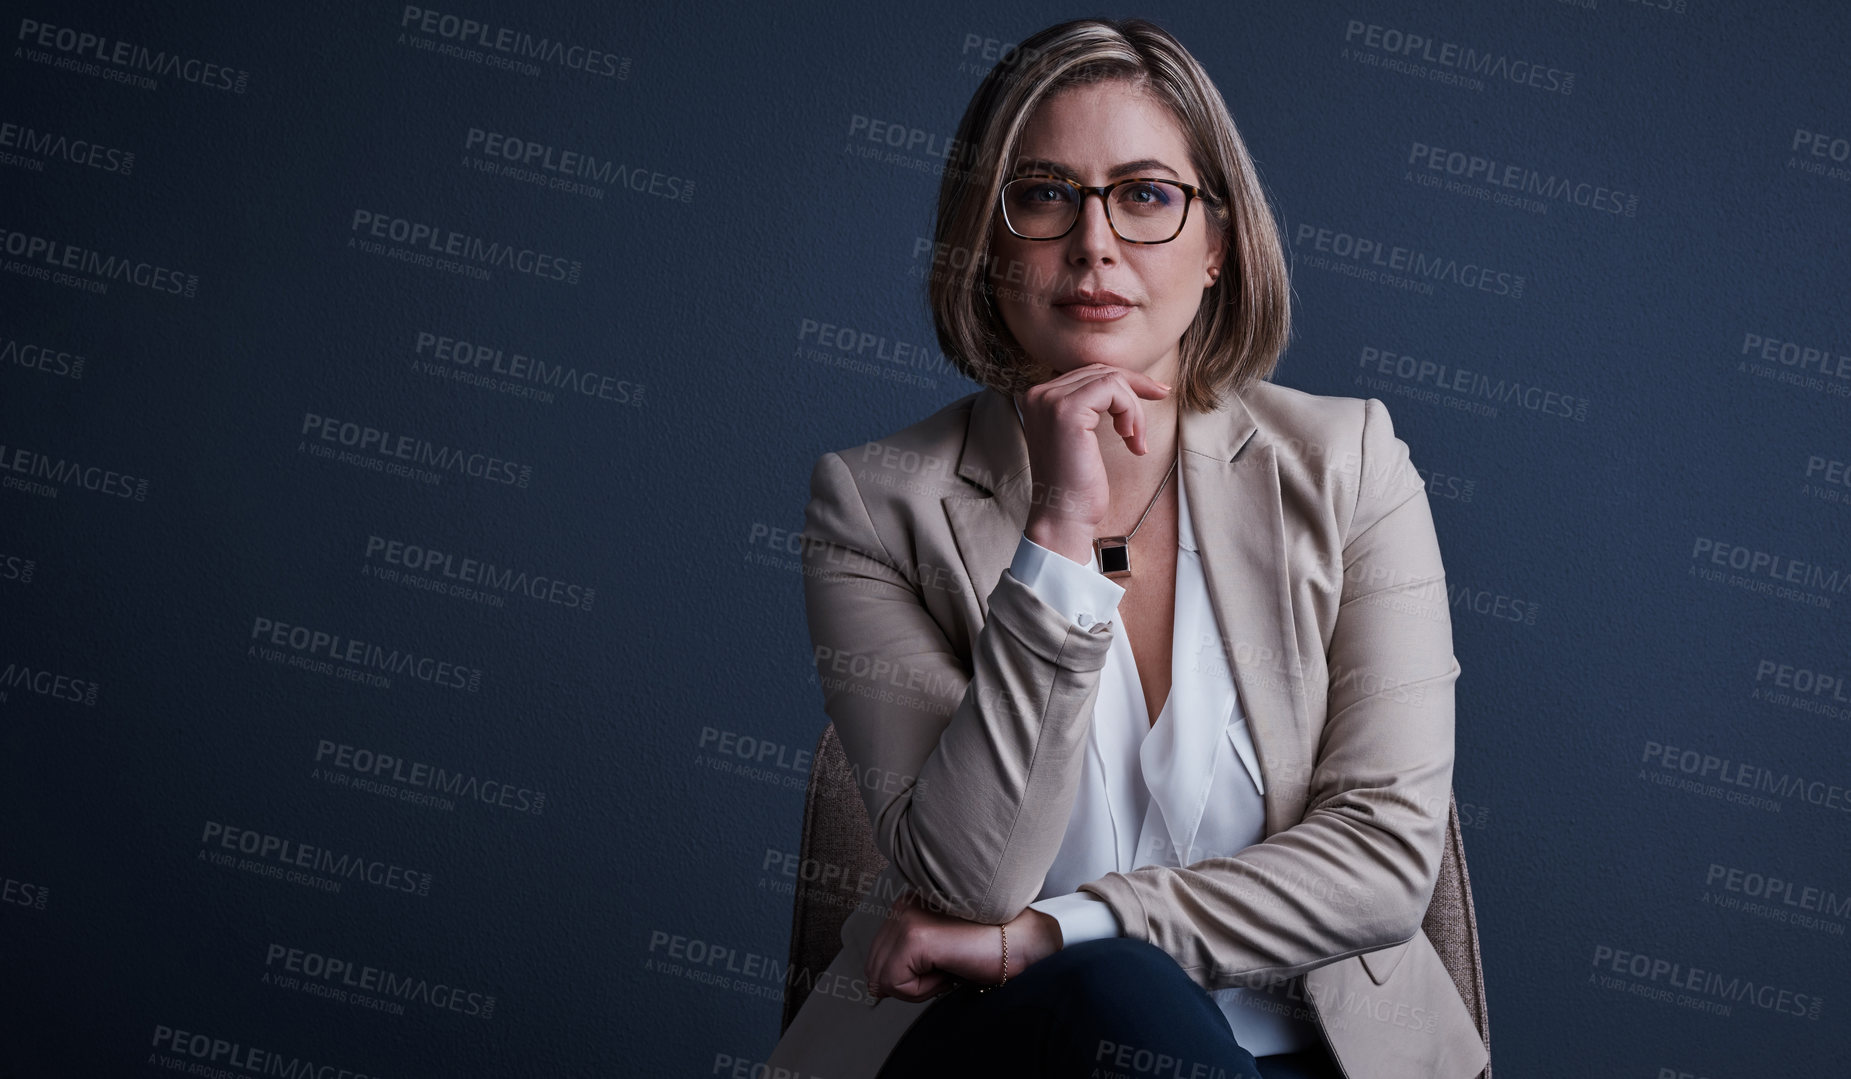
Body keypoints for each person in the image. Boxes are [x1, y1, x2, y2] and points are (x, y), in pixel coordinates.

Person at [767, 16, 1488, 1079]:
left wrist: (1062, 928)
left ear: (1217, 247)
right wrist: (1061, 530)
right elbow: (968, 881)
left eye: (1146, 195)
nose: (1094, 242)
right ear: (988, 241)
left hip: (1311, 1055)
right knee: (1118, 996)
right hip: (1003, 1050)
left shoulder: (1353, 468)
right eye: (1046, 193)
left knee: (1127, 985)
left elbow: (1383, 863)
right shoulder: (876, 506)